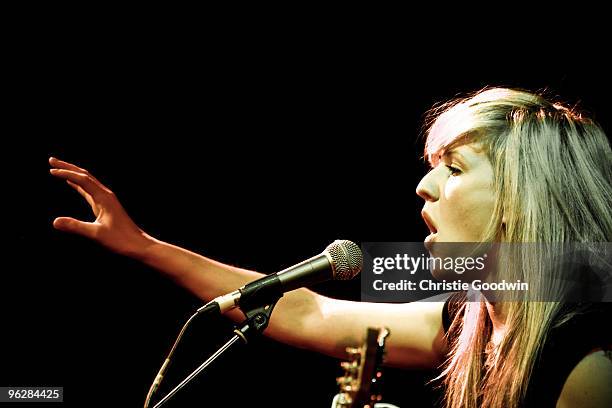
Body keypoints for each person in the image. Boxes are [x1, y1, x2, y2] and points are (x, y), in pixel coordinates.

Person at [49, 87, 612, 407]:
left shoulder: (589, 362)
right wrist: (144, 247)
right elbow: (310, 309)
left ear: (522, 197)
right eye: (430, 167)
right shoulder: (475, 317)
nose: (424, 186)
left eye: (454, 168)